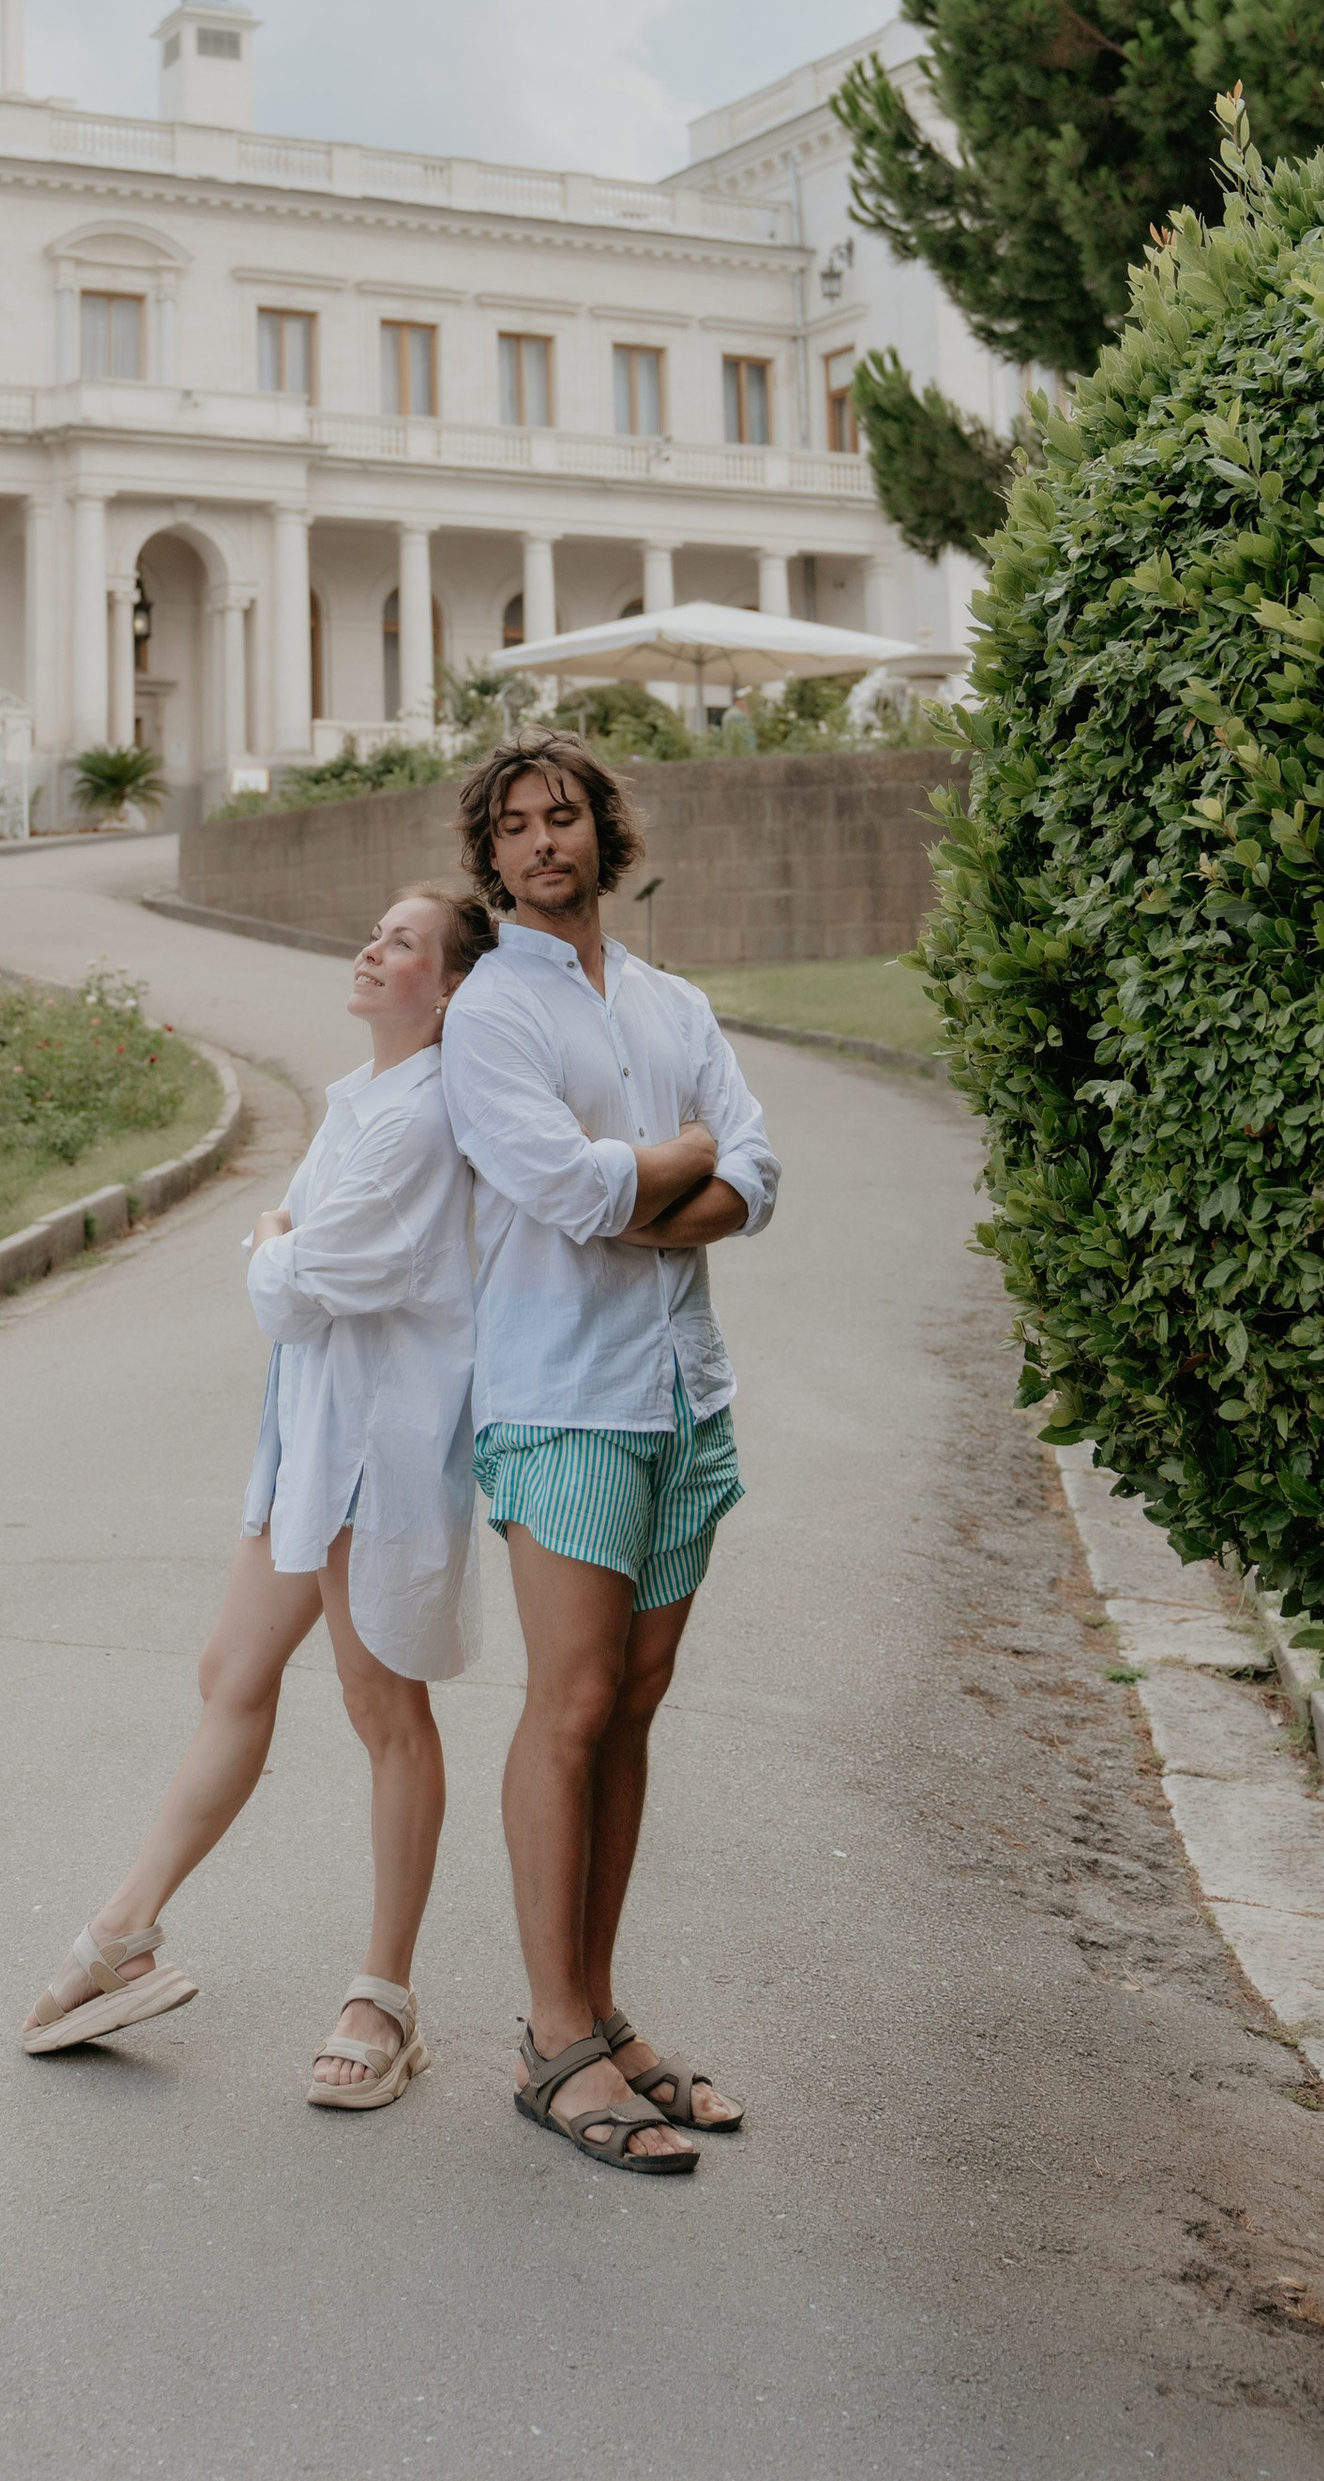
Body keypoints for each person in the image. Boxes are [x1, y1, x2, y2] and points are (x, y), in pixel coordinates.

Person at [21, 882, 491, 2106]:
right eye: (375, 929)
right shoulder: (361, 1098)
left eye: (401, 942)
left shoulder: (427, 1115)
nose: (371, 947)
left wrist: (274, 1235)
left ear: (448, 988)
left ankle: (383, 1997)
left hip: (379, 1448)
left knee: (383, 1707)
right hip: (306, 1439)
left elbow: (296, 1280)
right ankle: (126, 1931)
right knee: (231, 1672)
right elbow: (300, 1270)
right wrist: (286, 1237)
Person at [440, 731, 778, 2179]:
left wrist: (664, 1195)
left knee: (635, 1705)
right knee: (570, 1702)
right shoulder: (489, 1015)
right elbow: (555, 1184)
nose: (540, 842)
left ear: (602, 834)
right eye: (513, 825)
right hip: (563, 1393)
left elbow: (757, 1172)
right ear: (492, 857)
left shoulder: (670, 1003)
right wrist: (667, 1166)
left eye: (561, 815)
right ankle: (553, 2037)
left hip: (681, 1395)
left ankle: (602, 2011)